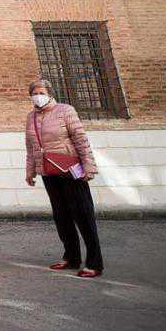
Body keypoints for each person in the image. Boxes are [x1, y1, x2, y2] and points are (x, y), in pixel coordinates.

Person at [25, 79, 104, 278]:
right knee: (61, 216)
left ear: (50, 93)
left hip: (70, 170)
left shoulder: (65, 111)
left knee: (83, 215)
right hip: (49, 171)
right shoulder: (31, 117)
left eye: (41, 92)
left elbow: (81, 139)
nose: (38, 96)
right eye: (34, 93)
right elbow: (30, 147)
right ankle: (71, 257)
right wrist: (30, 171)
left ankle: (94, 262)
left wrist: (89, 166)